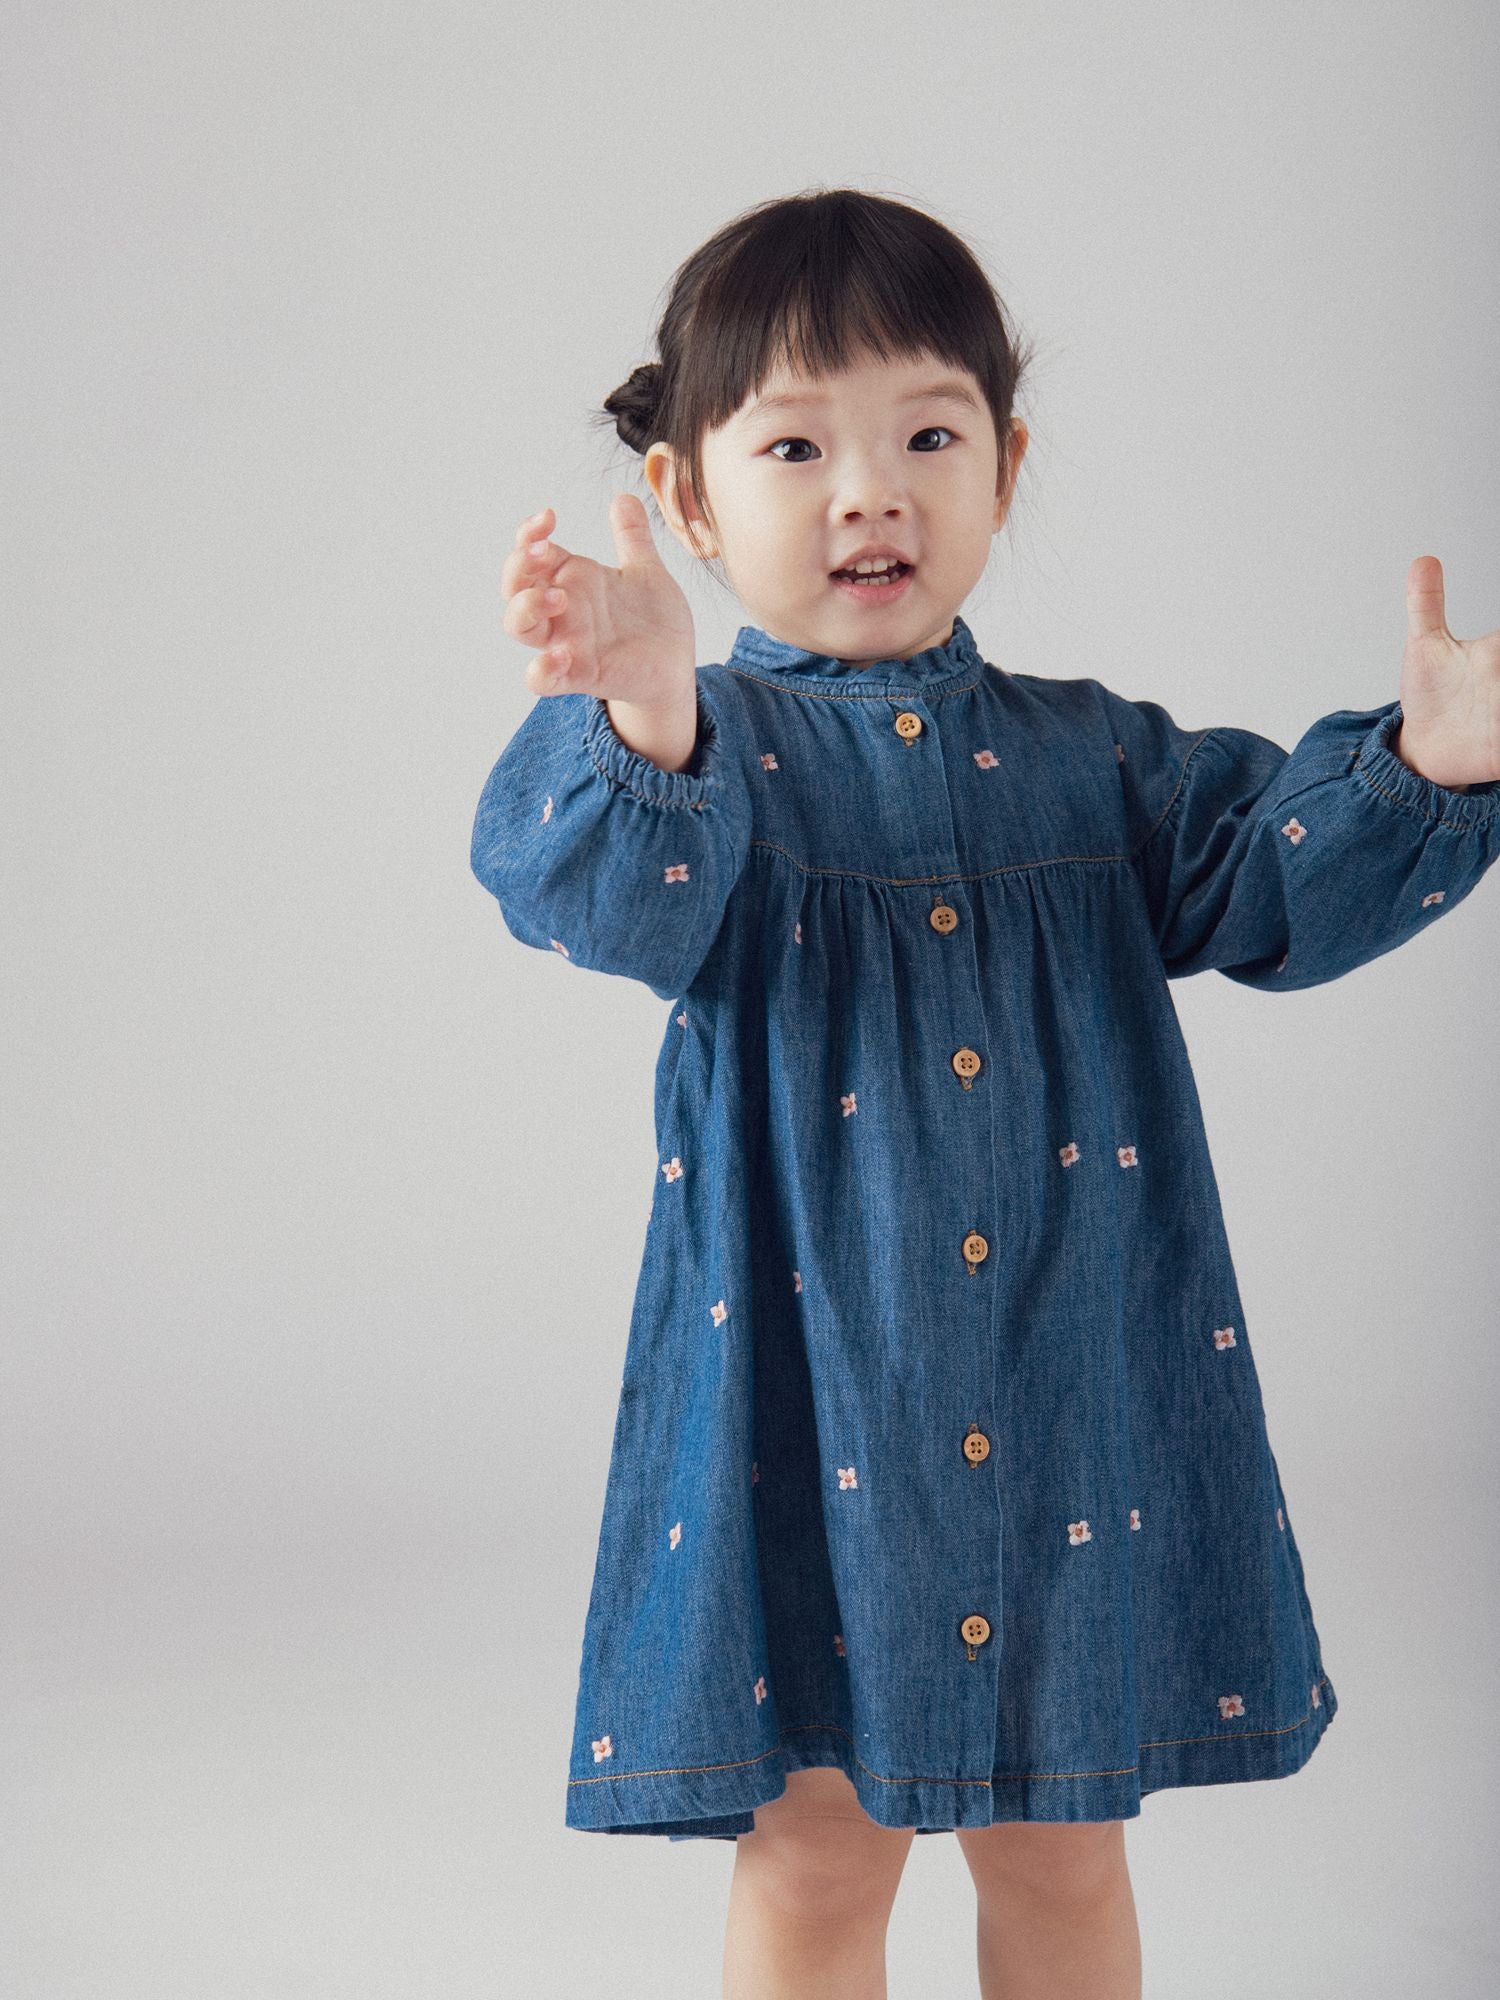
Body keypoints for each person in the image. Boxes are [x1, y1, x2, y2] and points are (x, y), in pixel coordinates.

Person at [468, 188, 1500, 2000]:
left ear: (1006, 468)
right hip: (810, 1391)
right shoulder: (713, 759)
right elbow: (597, 896)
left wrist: (1427, 766)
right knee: (812, 1856)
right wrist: (640, 712)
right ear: (697, 503)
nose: (874, 490)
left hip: (1068, 1396)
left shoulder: (1097, 758)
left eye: (929, 434)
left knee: (1062, 1848)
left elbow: (1271, 890)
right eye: (798, 445)